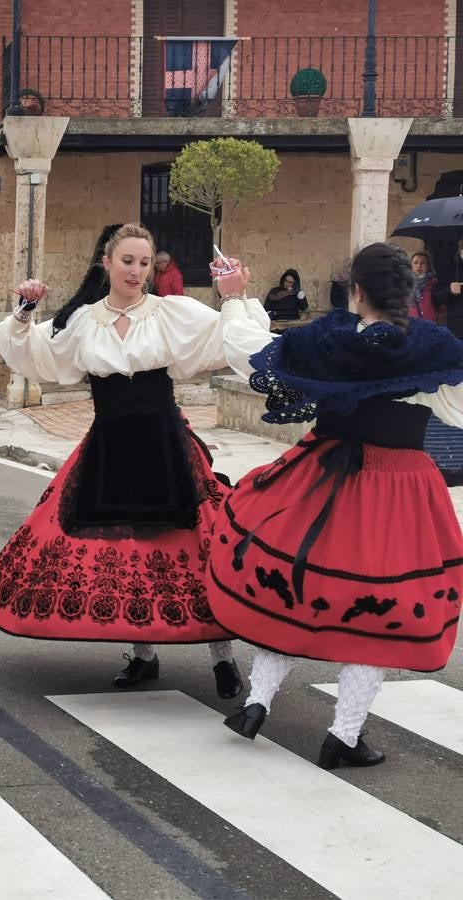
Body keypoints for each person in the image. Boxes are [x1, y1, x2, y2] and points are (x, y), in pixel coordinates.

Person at [209, 243, 463, 769]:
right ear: (409, 292)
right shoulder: (432, 348)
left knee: (293, 583)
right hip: (397, 486)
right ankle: (343, 735)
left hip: (319, 473)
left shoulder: (327, 341)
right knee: (378, 609)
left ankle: (257, 704)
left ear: (356, 290)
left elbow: (250, 350)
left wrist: (235, 298)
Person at [0, 224, 250, 699]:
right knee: (125, 556)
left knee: (197, 545)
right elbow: (35, 353)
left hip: (166, 442)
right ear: (107, 262)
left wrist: (232, 298)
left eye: (144, 263)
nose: (137, 271)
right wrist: (24, 309)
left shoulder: (168, 312)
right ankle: (144, 656)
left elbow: (224, 339)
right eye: (128, 261)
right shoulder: (84, 320)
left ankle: (222, 658)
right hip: (110, 442)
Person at [431, 238, 463, 337]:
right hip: (458, 326)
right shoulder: (450, 271)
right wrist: (450, 290)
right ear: (460, 251)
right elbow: (435, 298)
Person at [410, 251, 437, 320]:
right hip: (410, 322)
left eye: (422, 263)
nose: (419, 266)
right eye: (415, 263)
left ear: (428, 266)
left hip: (429, 321)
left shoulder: (433, 282)